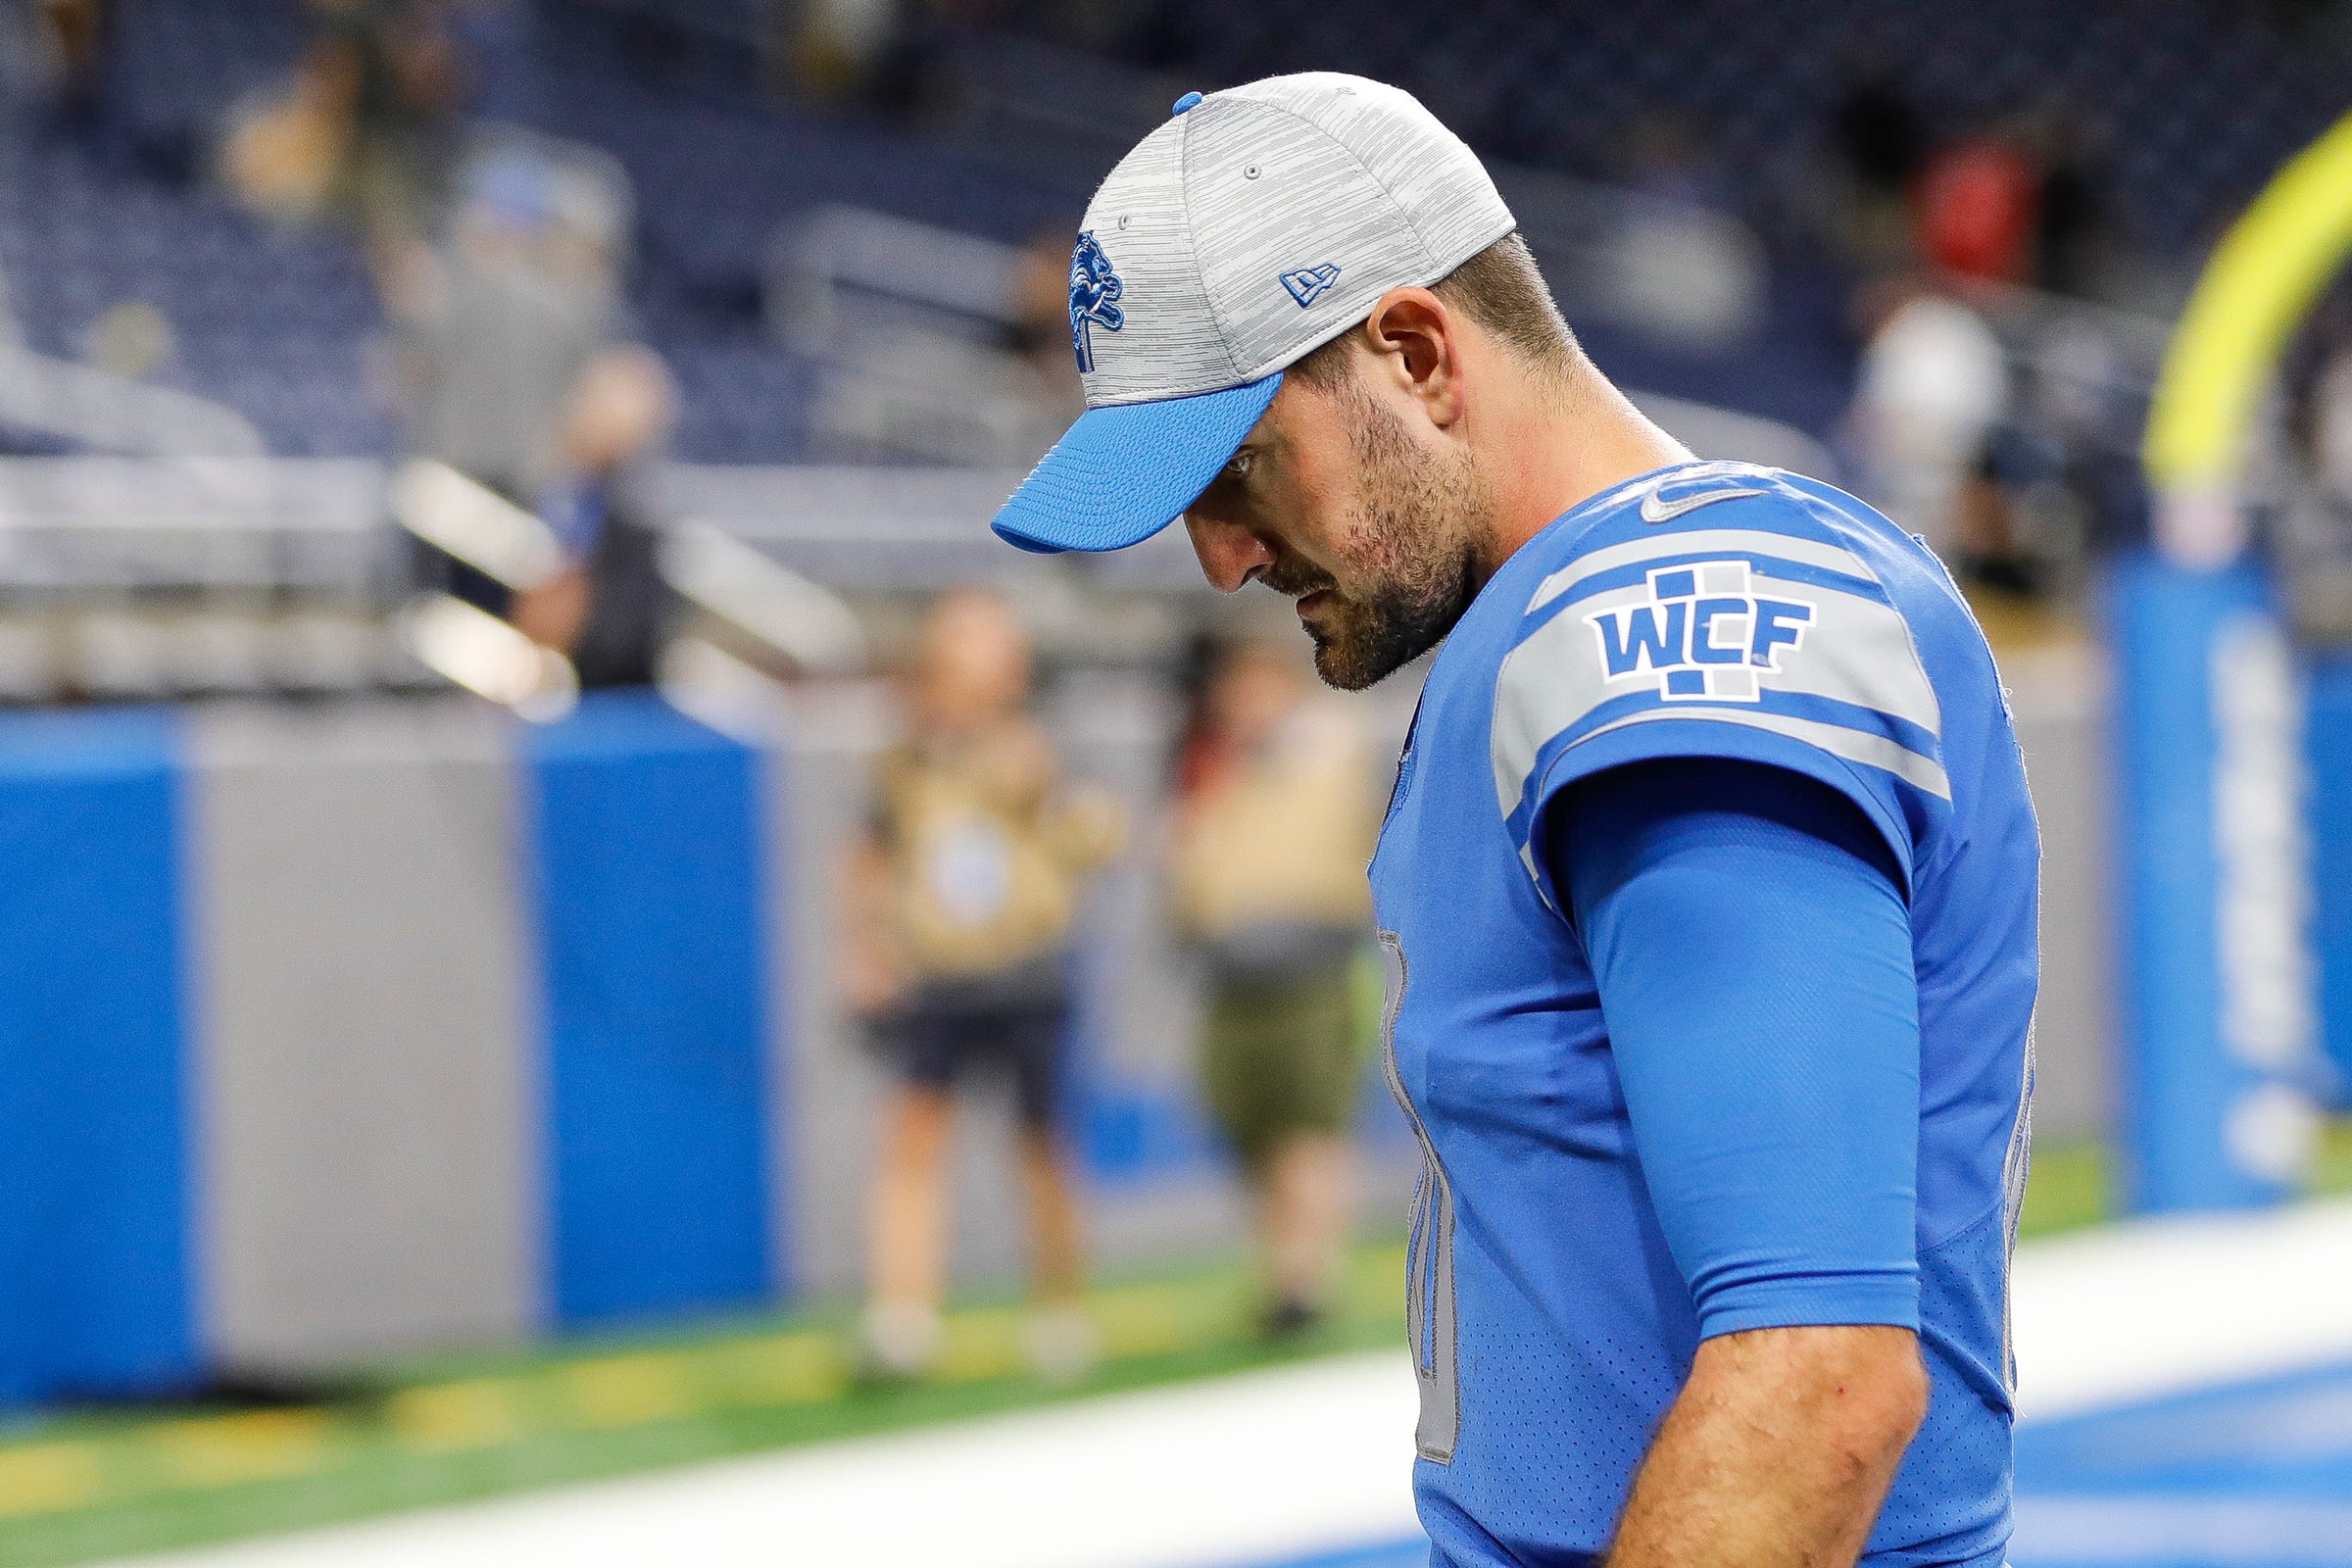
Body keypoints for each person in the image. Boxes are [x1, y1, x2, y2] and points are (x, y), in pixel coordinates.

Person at [989, 75, 2035, 1568]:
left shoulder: (1662, 634)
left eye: (1236, 470)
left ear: (1414, 352)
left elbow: (1819, 1385)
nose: (1218, 557)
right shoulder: (1564, 625)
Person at [843, 590, 1123, 1384]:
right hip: (940, 970)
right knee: (913, 1137)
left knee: (1042, 1144)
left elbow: (1099, 837)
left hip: (1024, 965)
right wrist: (866, 946)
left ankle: (1060, 1305)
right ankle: (903, 1315)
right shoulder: (908, 756)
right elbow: (872, 850)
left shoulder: (1045, 746)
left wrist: (1041, 792)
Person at [1168, 633, 1379, 1337]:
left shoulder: (1323, 751)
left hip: (1310, 969)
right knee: (1251, 1125)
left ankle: (1305, 1276)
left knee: (1308, 1127)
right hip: (1229, 974)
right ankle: (1278, 1267)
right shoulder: (1211, 767)